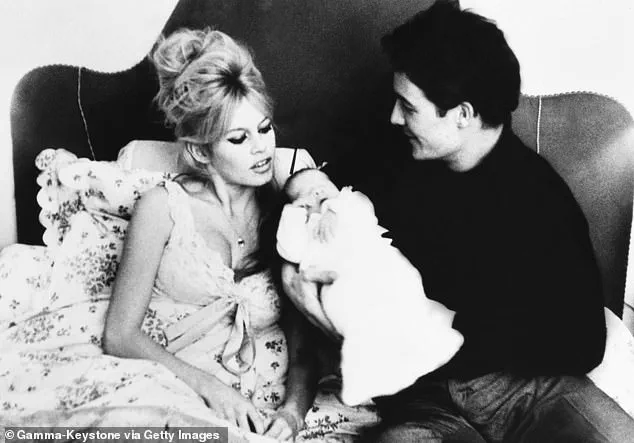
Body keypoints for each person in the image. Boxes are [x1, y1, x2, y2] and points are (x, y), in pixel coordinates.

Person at [282, 1, 634, 441]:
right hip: (426, 400)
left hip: (530, 391)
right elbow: (307, 201)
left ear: (463, 115)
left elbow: (584, 343)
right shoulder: (389, 160)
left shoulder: (539, 201)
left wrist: (451, 340)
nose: (394, 116)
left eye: (408, 107)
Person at [103, 28, 315, 441]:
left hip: (267, 390)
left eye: (265, 129)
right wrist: (211, 389)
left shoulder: (289, 205)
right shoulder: (162, 208)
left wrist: (292, 413)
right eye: (239, 138)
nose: (262, 149)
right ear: (201, 151)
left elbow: (304, 340)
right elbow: (119, 334)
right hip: (175, 384)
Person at [276, 167, 463, 406]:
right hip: (338, 281)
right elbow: (290, 251)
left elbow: (364, 210)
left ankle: (435, 339)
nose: (318, 192)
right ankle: (364, 377)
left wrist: (334, 208)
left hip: (376, 264)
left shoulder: (349, 200)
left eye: (323, 184)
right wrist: (293, 214)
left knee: (407, 292)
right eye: (308, 192)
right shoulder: (304, 227)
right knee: (351, 320)